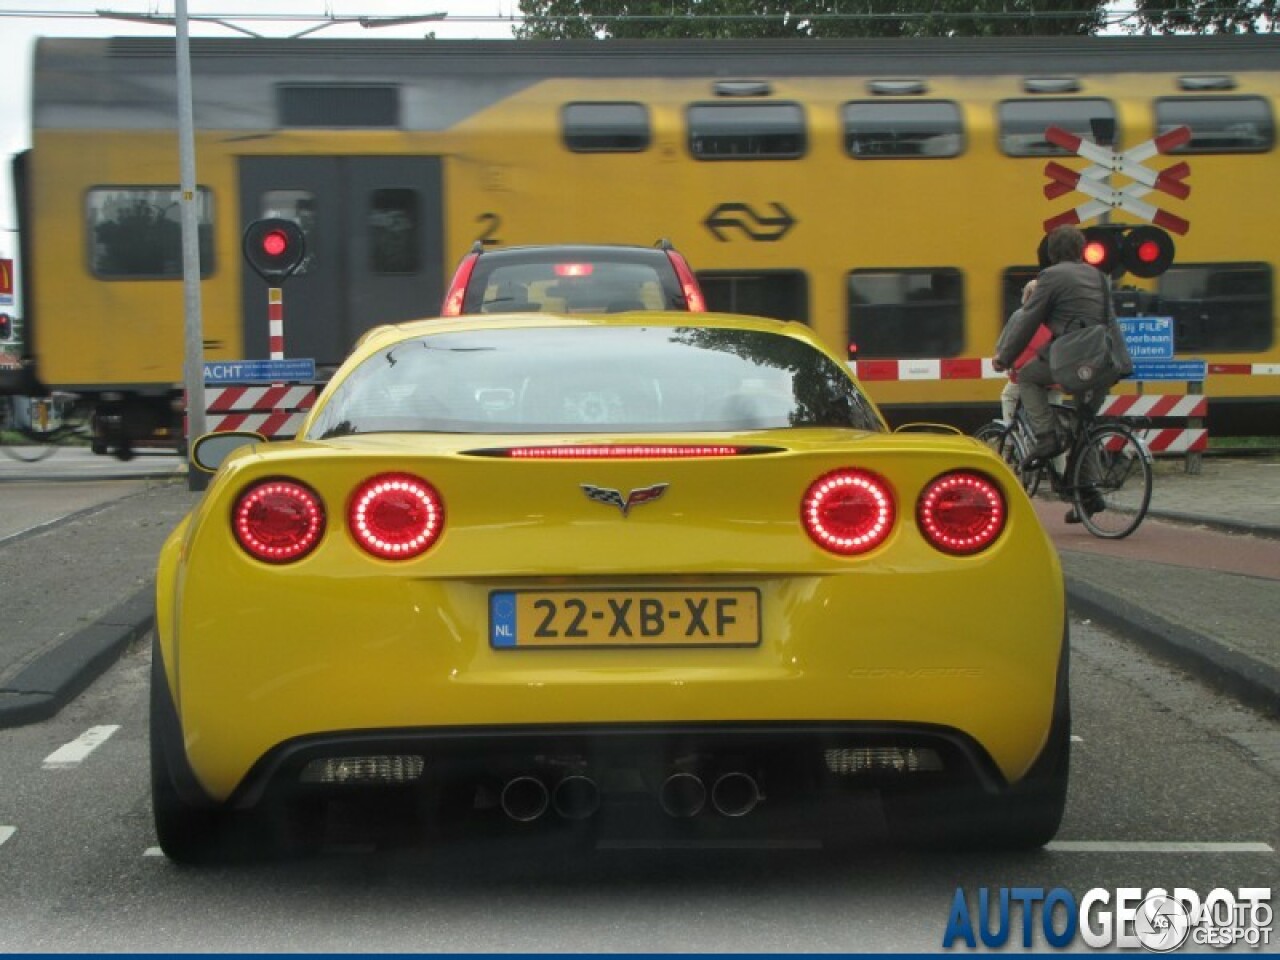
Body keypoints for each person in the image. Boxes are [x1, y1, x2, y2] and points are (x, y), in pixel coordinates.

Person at [993, 225, 1116, 464]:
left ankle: (1046, 436)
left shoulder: (1051, 276)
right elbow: (1111, 321)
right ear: (1081, 250)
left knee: (1028, 377)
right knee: (1084, 428)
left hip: (1072, 359)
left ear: (1052, 253)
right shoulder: (1098, 277)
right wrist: (1121, 363)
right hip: (1102, 360)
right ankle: (1088, 492)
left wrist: (1005, 358)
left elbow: (1029, 319)